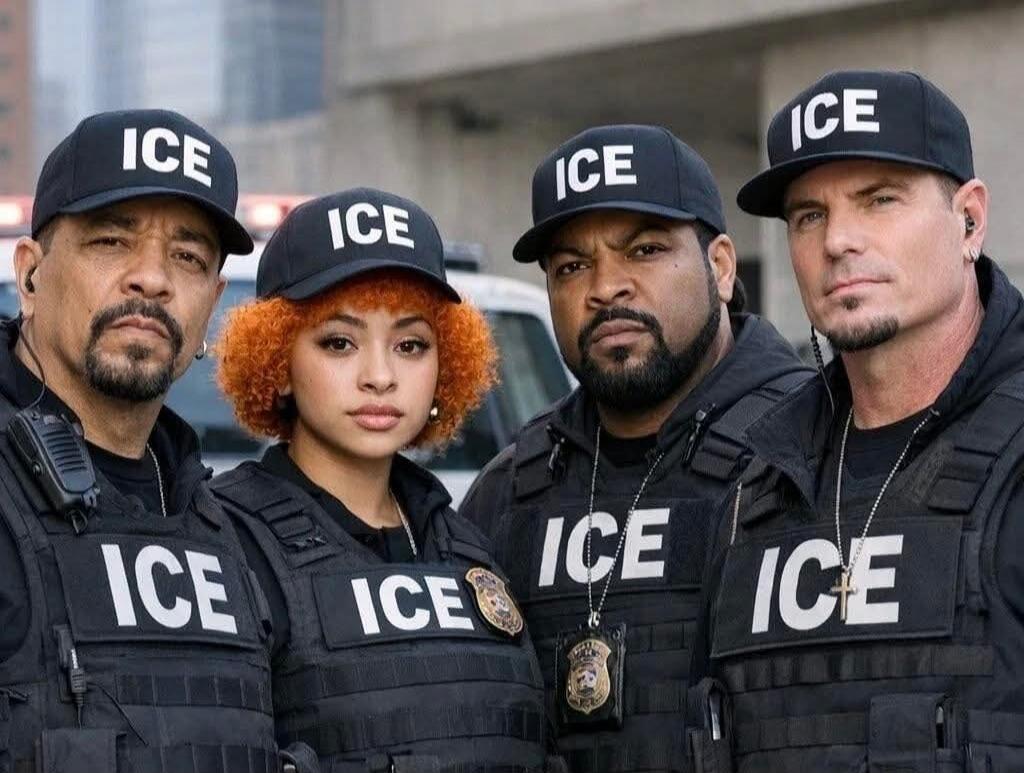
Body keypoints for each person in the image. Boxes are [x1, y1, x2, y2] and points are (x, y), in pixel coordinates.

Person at [457, 124, 812, 773]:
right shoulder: (508, 491)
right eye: (571, 265)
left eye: (644, 250)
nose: (606, 286)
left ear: (722, 266)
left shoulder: (824, 448)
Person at [705, 69, 1024, 773]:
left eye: (879, 199)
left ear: (969, 219)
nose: (839, 240)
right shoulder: (757, 484)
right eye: (808, 215)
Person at [210, 187, 553, 773]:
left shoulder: (470, 544)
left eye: (410, 345)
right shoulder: (223, 545)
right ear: (276, 364)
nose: (380, 376)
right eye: (339, 342)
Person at [0, 109, 284, 772]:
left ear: (211, 301)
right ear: (31, 274)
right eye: (110, 241)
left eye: (186, 256)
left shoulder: (226, 525)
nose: (151, 277)